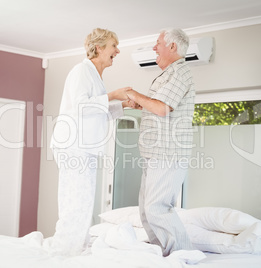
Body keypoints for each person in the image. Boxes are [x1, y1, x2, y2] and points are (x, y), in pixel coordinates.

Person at [48, 28, 134, 256]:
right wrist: (113, 95)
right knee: (75, 201)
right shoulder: (81, 71)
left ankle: (76, 247)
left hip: (84, 147)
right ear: (99, 48)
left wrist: (122, 105)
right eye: (113, 46)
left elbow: (96, 111)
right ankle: (63, 252)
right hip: (74, 145)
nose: (118, 50)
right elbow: (81, 107)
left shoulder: (95, 76)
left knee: (83, 201)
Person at [126, 28, 196, 256]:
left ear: (173, 46)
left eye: (158, 43)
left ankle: (183, 256)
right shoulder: (169, 74)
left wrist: (133, 94)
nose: (154, 48)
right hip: (155, 153)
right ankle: (161, 253)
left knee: (157, 208)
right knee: (147, 211)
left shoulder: (181, 72)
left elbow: (162, 108)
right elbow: (156, 104)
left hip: (168, 153)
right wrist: (142, 103)